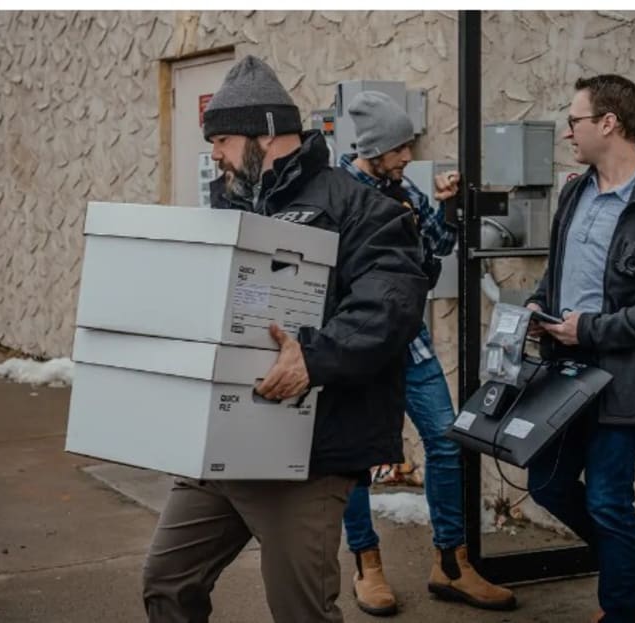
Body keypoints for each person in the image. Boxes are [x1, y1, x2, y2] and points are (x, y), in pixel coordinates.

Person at [141, 55, 429, 623]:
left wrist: (313, 358)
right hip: (222, 445)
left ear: (266, 133)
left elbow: (389, 306)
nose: (214, 154)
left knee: (300, 610)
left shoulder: (363, 209)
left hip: (308, 456)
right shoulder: (227, 207)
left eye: (222, 140)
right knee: (167, 582)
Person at [524, 74, 635, 623]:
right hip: (563, 371)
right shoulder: (575, 191)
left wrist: (592, 330)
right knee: (547, 484)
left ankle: (620, 609)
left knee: (607, 499)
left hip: (622, 380)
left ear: (609, 123)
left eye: (573, 121)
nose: (567, 133)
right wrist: (538, 305)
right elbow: (558, 271)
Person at [336, 90, 516, 616]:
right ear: (374, 148)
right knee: (354, 457)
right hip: (359, 347)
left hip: (411, 344)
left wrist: (446, 206)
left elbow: (436, 245)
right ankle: (367, 563)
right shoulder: (338, 194)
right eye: (400, 148)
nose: (408, 156)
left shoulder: (402, 189)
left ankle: (451, 565)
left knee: (445, 441)